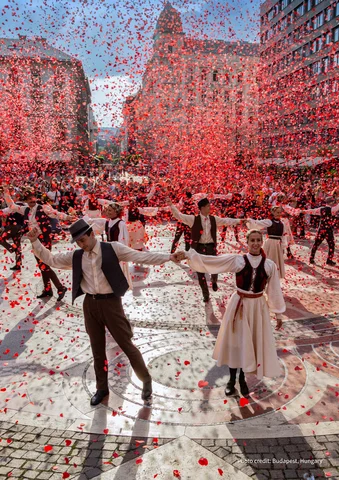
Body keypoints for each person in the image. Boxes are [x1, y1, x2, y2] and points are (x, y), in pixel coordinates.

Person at [26, 219, 181, 406]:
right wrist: (35, 242)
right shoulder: (77, 256)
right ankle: (101, 388)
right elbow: (52, 260)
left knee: (126, 344)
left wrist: (169, 257)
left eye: (83, 240)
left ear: (91, 234)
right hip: (90, 305)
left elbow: (140, 257)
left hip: (111, 304)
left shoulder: (113, 248)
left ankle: (145, 379)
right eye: (78, 243)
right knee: (97, 349)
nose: (81, 245)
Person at [182, 229, 285, 396]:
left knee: (249, 342)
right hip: (239, 305)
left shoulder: (269, 265)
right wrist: (189, 256)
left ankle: (242, 379)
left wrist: (278, 313)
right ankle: (231, 380)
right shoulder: (238, 260)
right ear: (247, 242)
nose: (256, 243)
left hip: (258, 307)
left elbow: (274, 290)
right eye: (252, 240)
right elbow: (214, 262)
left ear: (262, 241)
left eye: (259, 240)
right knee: (236, 342)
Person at [167, 196, 243, 302]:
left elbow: (226, 220)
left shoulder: (214, 219)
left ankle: (214, 280)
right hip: (198, 249)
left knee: (216, 267)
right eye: (208, 206)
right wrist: (171, 205)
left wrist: (240, 221)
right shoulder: (194, 219)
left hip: (211, 247)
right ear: (202, 208)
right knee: (200, 272)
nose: (210, 208)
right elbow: (179, 216)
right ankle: (206, 294)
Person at [4, 188, 74, 300]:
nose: (32, 200)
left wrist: (67, 217)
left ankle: (60, 287)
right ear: (26, 200)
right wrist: (6, 193)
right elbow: (12, 206)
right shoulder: (25, 209)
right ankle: (48, 289)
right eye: (29, 199)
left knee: (45, 264)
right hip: (34, 240)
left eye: (33, 198)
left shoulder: (42, 208)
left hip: (45, 239)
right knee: (42, 266)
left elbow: (55, 213)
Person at [247, 206, 288, 279]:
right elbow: (259, 223)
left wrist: (283, 246)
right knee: (269, 259)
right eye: (277, 212)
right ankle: (266, 275)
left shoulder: (282, 223)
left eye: (280, 212)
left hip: (278, 244)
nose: (279, 214)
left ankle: (274, 277)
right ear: (273, 213)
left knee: (276, 261)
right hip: (271, 243)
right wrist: (249, 221)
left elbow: (284, 235)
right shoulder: (269, 222)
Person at [302, 197, 339, 266]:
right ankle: (329, 260)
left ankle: (311, 258)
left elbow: (312, 211)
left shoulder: (321, 209)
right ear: (331, 203)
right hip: (328, 230)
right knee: (331, 245)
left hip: (321, 229)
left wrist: (304, 211)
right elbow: (337, 207)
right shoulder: (332, 209)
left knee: (316, 244)